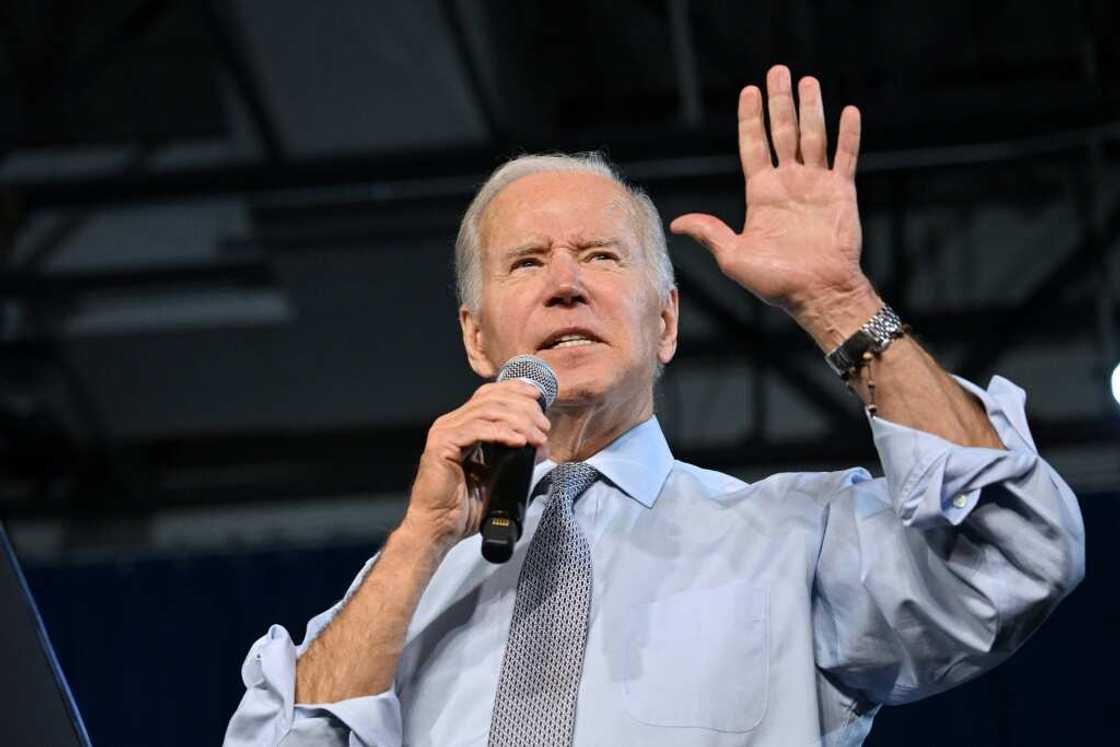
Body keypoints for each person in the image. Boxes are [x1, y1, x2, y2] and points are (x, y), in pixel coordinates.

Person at [223, 65, 1085, 746]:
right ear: (476, 338)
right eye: (527, 263)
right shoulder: (400, 594)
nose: (565, 284)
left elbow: (1017, 556)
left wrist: (838, 299)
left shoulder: (797, 543)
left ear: (665, 321)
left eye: (601, 256)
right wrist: (416, 543)